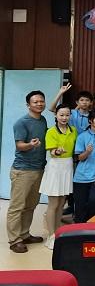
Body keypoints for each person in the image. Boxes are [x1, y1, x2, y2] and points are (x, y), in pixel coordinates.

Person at [7, 90, 47, 253]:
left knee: (31, 205)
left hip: (39, 169)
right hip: (22, 170)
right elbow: (19, 145)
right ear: (28, 105)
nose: (39, 104)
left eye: (41, 101)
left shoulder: (43, 120)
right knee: (17, 207)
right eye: (35, 102)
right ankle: (14, 240)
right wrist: (30, 144)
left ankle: (24, 234)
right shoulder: (21, 123)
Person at [40, 103, 76, 250]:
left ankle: (58, 232)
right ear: (56, 115)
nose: (64, 117)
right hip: (55, 167)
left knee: (61, 203)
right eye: (61, 115)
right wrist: (57, 151)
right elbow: (52, 152)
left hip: (68, 167)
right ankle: (51, 235)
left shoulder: (73, 130)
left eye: (67, 115)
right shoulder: (51, 131)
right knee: (53, 204)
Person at [73, 108, 95, 223]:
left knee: (94, 201)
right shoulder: (82, 136)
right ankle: (79, 228)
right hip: (81, 176)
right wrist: (87, 152)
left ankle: (90, 226)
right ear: (90, 120)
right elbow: (79, 158)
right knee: (80, 206)